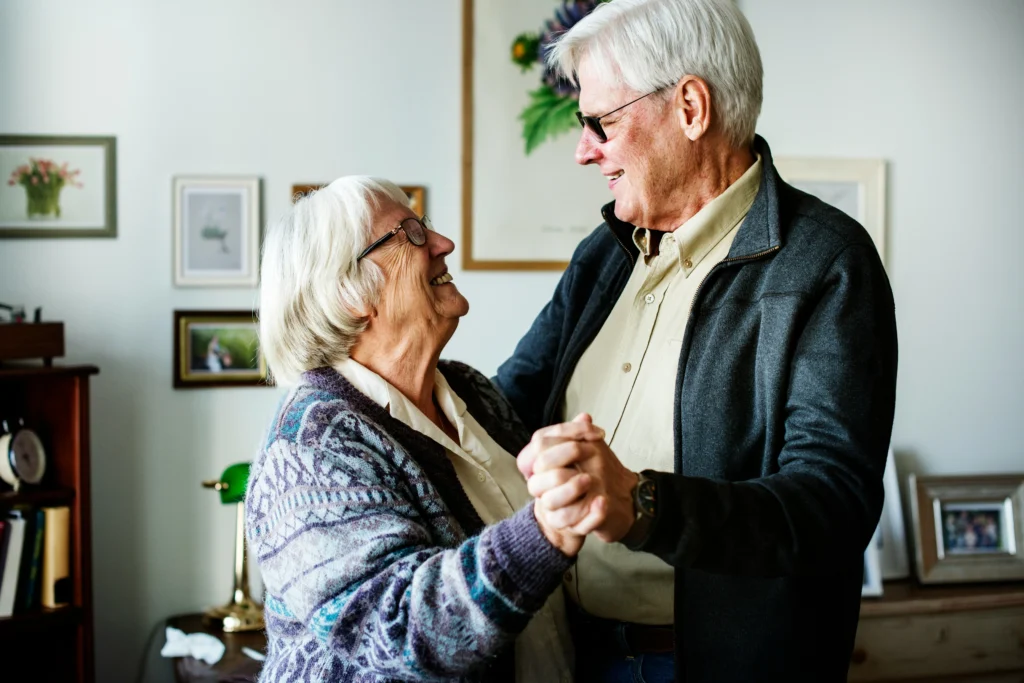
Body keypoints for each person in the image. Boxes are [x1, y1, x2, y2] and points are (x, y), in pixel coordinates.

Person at [495, 0, 899, 681]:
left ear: (690, 106)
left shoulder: (827, 262)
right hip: (565, 650)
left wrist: (644, 505)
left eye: (601, 121)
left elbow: (830, 505)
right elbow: (505, 409)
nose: (584, 149)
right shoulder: (604, 256)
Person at [246, 176, 608, 682]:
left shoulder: (469, 391)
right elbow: (398, 630)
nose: (443, 244)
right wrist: (545, 531)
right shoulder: (310, 449)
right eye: (410, 234)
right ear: (350, 291)